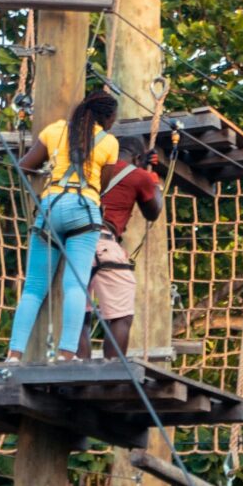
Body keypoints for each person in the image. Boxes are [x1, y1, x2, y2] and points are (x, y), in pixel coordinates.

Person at [3, 89, 120, 363]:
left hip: (51, 206)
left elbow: (24, 166)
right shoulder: (109, 142)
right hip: (84, 209)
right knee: (76, 285)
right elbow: (101, 185)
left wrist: (48, 168)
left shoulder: (55, 130)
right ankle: (67, 354)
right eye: (113, 119)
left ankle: (14, 354)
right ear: (107, 117)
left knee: (33, 287)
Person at [83, 140, 166, 360]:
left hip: (74, 242)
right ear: (138, 158)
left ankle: (78, 367)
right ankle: (113, 369)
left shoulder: (92, 167)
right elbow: (153, 212)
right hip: (104, 243)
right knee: (121, 316)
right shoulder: (139, 176)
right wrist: (153, 180)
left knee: (81, 315)